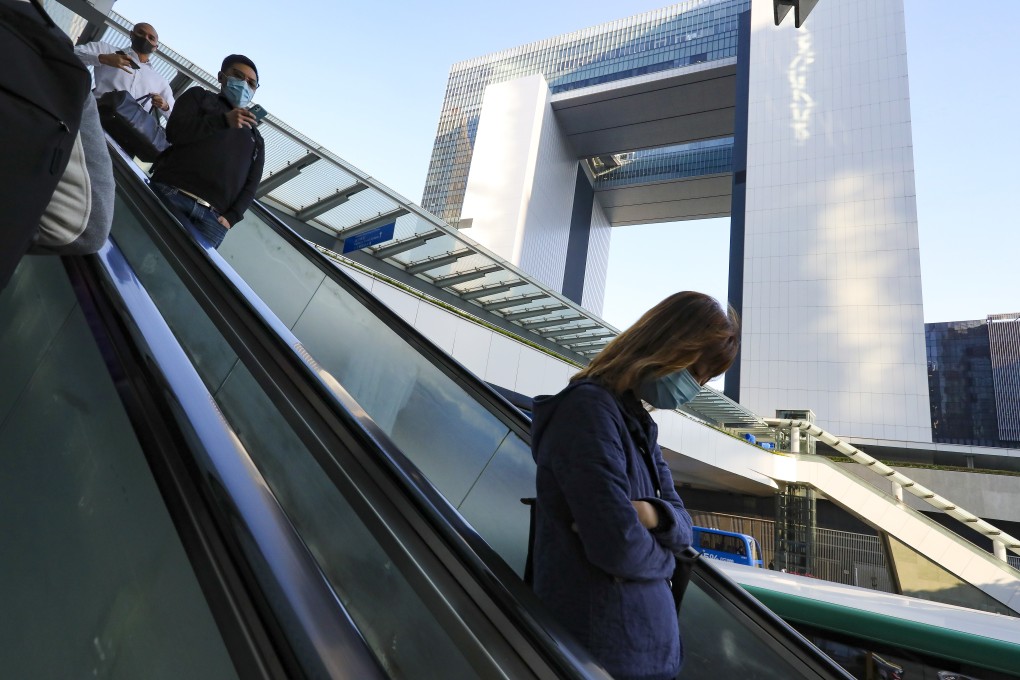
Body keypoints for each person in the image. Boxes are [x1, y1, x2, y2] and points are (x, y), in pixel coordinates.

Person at [530, 291, 740, 680]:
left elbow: (682, 523)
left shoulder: (638, 423)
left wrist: (649, 513)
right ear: (669, 344)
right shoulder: (587, 411)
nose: (695, 387)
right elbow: (617, 546)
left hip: (645, 655)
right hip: (600, 655)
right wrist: (668, 560)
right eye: (696, 372)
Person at [149, 54, 265, 249]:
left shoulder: (256, 138)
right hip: (171, 193)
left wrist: (231, 217)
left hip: (213, 221)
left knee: (185, 275)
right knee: (139, 245)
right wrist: (223, 121)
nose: (245, 85)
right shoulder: (199, 97)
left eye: (251, 83)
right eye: (238, 76)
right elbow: (175, 132)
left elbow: (251, 184)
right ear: (221, 77)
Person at [74, 22, 174, 114]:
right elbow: (71, 53)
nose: (145, 38)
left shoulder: (161, 81)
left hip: (129, 131)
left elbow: (174, 116)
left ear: (155, 47)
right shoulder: (107, 50)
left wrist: (165, 106)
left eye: (151, 38)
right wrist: (103, 58)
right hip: (96, 115)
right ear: (132, 34)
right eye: (141, 33)